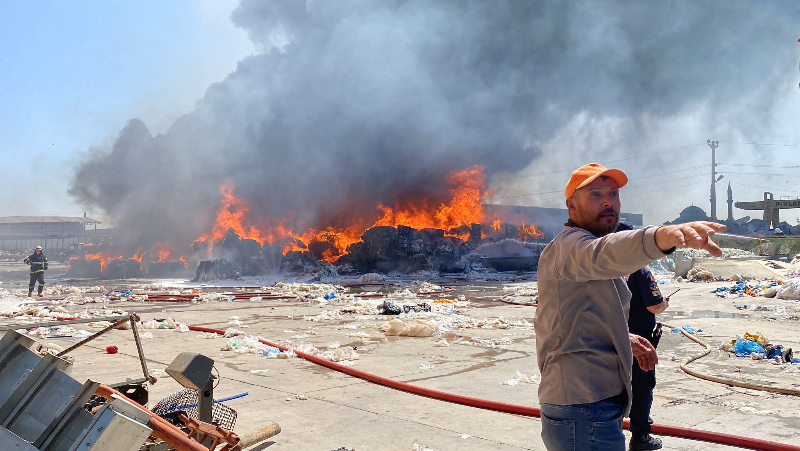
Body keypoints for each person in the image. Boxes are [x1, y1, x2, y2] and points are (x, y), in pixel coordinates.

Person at [534, 163, 726, 451]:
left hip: (592, 405)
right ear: (571, 205)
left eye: (613, 193)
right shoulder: (571, 247)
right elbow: (606, 252)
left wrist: (625, 338)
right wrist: (662, 236)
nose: (609, 201)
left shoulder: (585, 250)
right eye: (595, 194)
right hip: (583, 409)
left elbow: (576, 321)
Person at [617, 222, 668, 451]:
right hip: (639, 340)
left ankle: (609, 432)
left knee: (611, 386)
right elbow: (655, 306)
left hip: (609, 336)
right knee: (642, 385)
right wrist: (665, 302)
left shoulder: (599, 266)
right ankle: (641, 436)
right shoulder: (639, 268)